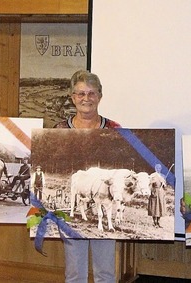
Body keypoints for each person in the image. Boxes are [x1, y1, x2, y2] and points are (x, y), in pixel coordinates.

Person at [55, 70, 120, 283]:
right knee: (74, 272)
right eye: (81, 94)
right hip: (81, 187)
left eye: (91, 93)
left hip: (104, 194)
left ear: (100, 96)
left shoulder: (115, 130)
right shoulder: (59, 130)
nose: (86, 99)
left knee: (106, 272)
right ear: (72, 97)